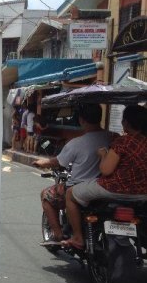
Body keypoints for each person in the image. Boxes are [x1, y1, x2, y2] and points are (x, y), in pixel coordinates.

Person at [63, 105, 147, 249]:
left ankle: (77, 237)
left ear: (126, 122)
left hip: (114, 189)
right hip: (142, 194)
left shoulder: (123, 142)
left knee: (70, 194)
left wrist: (103, 155)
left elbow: (106, 170)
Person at [32, 103, 113, 243]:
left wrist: (42, 162)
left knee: (46, 195)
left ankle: (58, 234)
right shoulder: (114, 137)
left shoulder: (76, 143)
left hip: (79, 187)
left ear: (81, 120)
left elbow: (56, 162)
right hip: (104, 187)